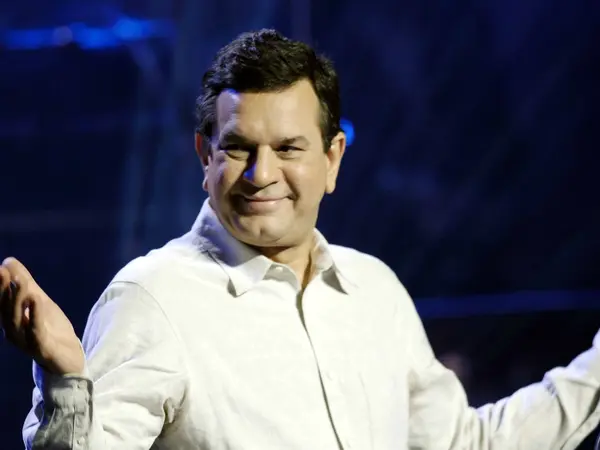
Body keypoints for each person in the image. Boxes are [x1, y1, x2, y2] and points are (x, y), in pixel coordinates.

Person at [1, 28, 599, 450]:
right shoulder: (152, 298)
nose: (262, 175)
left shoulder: (373, 289)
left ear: (332, 159)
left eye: (288, 148)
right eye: (239, 149)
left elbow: (461, 443)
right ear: (206, 156)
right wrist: (65, 380)